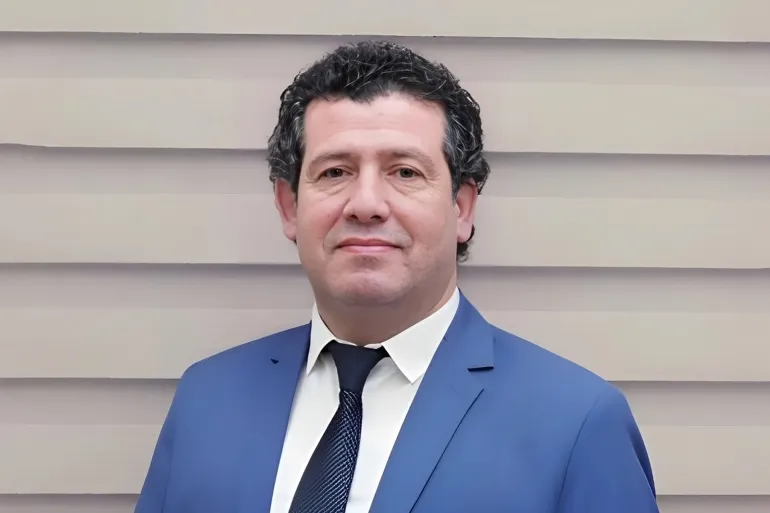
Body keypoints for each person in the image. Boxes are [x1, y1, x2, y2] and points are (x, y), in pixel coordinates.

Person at [134, 40, 659, 513]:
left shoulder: (577, 423)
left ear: (462, 207)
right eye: (334, 172)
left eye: (405, 172)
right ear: (289, 205)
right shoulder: (207, 397)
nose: (365, 204)